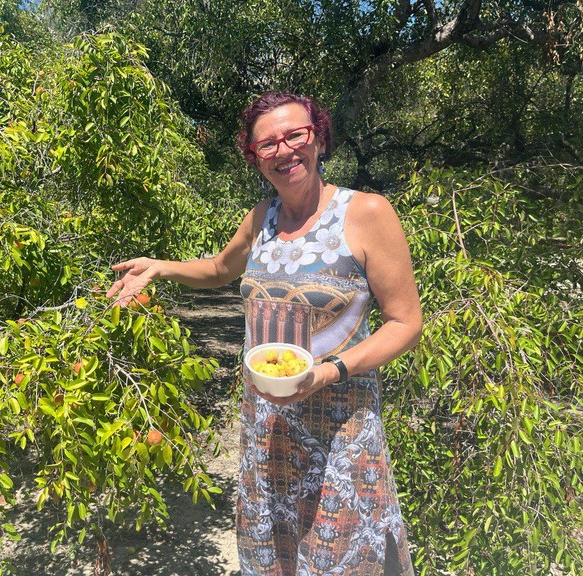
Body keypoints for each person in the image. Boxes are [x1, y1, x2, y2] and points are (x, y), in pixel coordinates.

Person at [106, 92, 422, 576]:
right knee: (274, 558)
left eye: (296, 135)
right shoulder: (261, 219)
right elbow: (218, 269)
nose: (284, 150)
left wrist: (329, 370)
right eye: (267, 144)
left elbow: (406, 323)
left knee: (339, 559)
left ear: (318, 138)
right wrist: (160, 267)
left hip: (339, 432)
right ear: (254, 157)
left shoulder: (366, 213)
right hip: (266, 429)